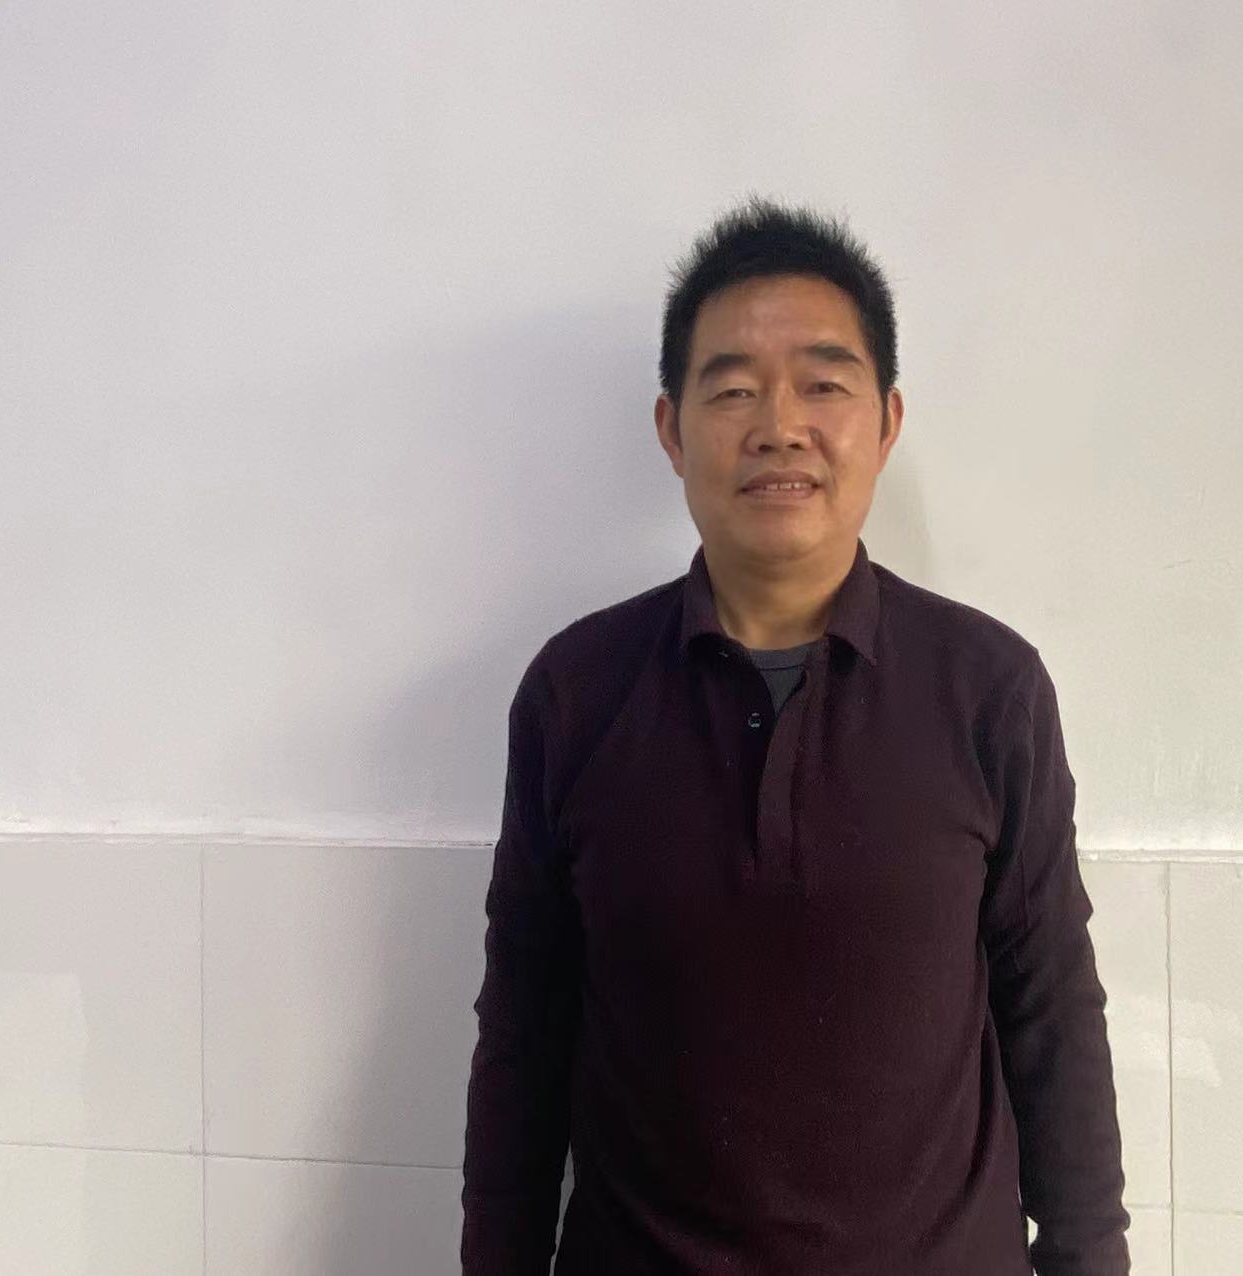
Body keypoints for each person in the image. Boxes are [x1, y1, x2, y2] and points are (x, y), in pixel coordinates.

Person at [461, 195, 1129, 1275]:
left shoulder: (988, 689)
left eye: (823, 384)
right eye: (732, 389)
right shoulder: (574, 694)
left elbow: (1050, 1006)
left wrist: (1089, 1260)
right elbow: (523, 1029)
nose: (779, 425)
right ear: (672, 429)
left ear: (887, 422)